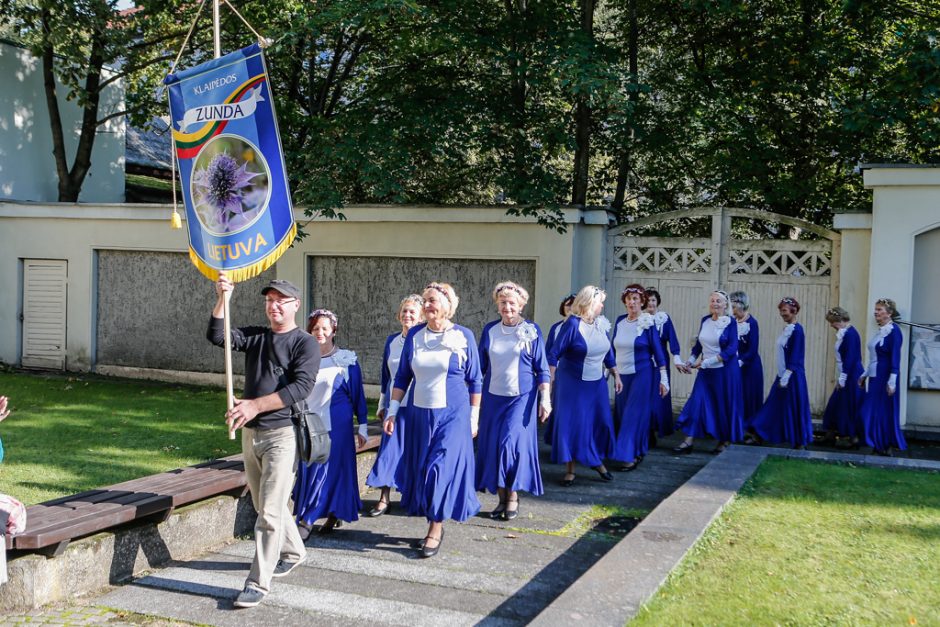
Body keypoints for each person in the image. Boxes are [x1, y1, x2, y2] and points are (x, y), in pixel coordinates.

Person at [207, 274, 320, 609]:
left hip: (282, 435)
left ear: (295, 305)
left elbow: (300, 388)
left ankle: (258, 583)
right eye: (269, 300)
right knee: (264, 506)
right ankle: (295, 550)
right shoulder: (256, 337)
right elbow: (217, 337)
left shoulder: (305, 343)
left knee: (269, 513)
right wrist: (222, 299)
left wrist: (255, 404)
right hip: (250, 434)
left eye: (280, 301)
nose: (273, 306)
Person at [383, 282, 482, 558]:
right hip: (419, 413)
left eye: (433, 301)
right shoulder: (415, 334)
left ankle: (435, 528)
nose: (427, 305)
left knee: (438, 469)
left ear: (448, 305)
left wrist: (474, 417)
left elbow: (475, 380)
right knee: (423, 469)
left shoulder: (464, 336)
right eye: (425, 300)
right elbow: (402, 376)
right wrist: (392, 410)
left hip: (454, 414)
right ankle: (433, 516)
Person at [475, 282, 551, 520]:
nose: (507, 307)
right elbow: (479, 368)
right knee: (494, 447)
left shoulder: (532, 330)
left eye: (512, 303)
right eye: (503, 303)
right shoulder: (490, 330)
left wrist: (545, 399)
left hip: (521, 399)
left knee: (511, 444)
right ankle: (500, 498)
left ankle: (513, 496)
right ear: (497, 305)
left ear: (521, 305)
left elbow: (542, 368)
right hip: (492, 398)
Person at [292, 309, 368, 536]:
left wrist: (362, 425)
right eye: (315, 328)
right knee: (312, 468)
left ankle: (307, 519)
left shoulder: (345, 359)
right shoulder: (303, 357)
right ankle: (328, 513)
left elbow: (358, 395)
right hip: (310, 423)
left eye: (325, 328)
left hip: (338, 425)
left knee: (328, 470)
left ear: (334, 330)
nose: (320, 332)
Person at [547, 285, 621, 486]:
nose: (602, 306)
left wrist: (616, 373)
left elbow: (608, 353)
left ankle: (593, 458)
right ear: (589, 303)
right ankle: (573, 469)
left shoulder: (601, 324)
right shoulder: (572, 324)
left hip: (596, 384)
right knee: (574, 424)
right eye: (600, 302)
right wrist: (549, 382)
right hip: (572, 383)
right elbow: (554, 353)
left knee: (600, 422)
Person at [365, 295, 424, 517]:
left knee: (414, 453)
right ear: (399, 314)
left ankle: (413, 497)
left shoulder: (423, 340)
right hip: (395, 407)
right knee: (389, 450)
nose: (408, 315)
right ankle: (383, 498)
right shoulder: (392, 341)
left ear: (421, 317)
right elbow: (385, 376)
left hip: (418, 405)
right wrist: (383, 404)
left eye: (413, 312)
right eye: (405, 311)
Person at [673, 290, 744, 454]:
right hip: (706, 372)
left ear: (726, 304)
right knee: (696, 401)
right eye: (712, 300)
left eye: (718, 301)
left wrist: (708, 362)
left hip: (725, 372)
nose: (715, 303)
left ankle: (723, 440)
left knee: (723, 405)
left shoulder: (731, 323)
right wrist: (690, 361)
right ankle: (688, 440)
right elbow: (699, 345)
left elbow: (732, 349)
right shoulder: (705, 320)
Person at [611, 285, 668, 471]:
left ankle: (627, 456)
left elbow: (658, 351)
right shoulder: (620, 321)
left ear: (642, 301)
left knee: (632, 416)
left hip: (642, 375)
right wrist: (608, 371)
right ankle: (638, 449)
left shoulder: (647, 322)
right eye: (628, 298)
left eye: (635, 299)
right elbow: (611, 349)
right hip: (621, 376)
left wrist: (663, 378)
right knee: (621, 415)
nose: (631, 302)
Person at [746, 297, 813, 449]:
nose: (782, 314)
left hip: (792, 376)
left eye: (784, 310)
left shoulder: (797, 330)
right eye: (780, 311)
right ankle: (760, 434)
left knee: (793, 407)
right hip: (783, 374)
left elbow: (796, 354)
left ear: (794, 311)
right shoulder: (787, 329)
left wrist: (788, 374)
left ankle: (799, 440)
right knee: (773, 405)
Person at [859, 298, 907, 456]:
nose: (876, 312)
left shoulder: (894, 331)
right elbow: (874, 357)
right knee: (870, 411)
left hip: (886, 377)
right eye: (876, 309)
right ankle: (878, 443)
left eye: (879, 309)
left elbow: (895, 357)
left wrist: (892, 380)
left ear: (890, 313)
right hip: (875, 377)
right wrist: (864, 375)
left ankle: (885, 445)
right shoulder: (880, 332)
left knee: (883, 411)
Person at [820, 307, 864, 448]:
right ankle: (830, 435)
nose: (831, 325)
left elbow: (850, 358)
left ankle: (853, 438)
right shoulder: (845, 333)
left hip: (852, 375)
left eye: (832, 322)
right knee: (836, 404)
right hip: (847, 373)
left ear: (838, 320)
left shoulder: (850, 334)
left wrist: (843, 377)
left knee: (849, 406)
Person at [645, 287, 683, 442]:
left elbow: (672, 339)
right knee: (645, 396)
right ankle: (646, 431)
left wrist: (677, 358)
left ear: (657, 302)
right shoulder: (639, 318)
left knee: (659, 396)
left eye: (653, 300)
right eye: (647, 300)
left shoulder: (664, 318)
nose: (650, 303)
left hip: (661, 362)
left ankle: (656, 428)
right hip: (644, 361)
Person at [543, 294, 575, 447]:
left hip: (571, 372)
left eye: (573, 305)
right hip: (556, 370)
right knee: (556, 406)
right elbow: (549, 350)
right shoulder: (556, 327)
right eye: (567, 305)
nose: (570, 308)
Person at [730, 291, 764, 429]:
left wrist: (740, 362)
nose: (731, 310)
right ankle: (736, 426)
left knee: (749, 396)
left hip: (750, 367)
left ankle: (750, 428)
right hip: (734, 366)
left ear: (741, 305)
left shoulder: (752, 323)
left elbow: (753, 349)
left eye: (733, 307)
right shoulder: (732, 322)